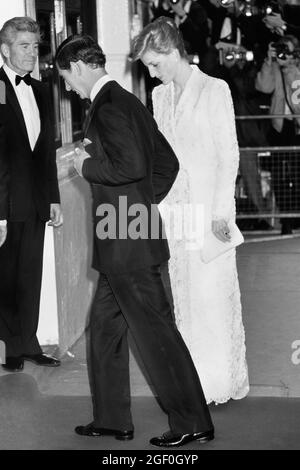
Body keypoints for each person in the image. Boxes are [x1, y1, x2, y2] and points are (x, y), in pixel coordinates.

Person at [55, 34, 214, 448]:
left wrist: (87, 165)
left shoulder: (109, 106)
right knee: (105, 332)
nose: (68, 88)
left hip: (125, 238)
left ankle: (191, 422)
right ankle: (112, 420)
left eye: (66, 78)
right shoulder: (127, 102)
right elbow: (167, 164)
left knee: (156, 335)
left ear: (79, 66)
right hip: (125, 234)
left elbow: (132, 165)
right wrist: (141, 205)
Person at [132, 16, 249, 405]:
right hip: (176, 214)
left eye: (154, 64)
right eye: (147, 66)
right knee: (184, 297)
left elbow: (228, 154)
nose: (151, 73)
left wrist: (221, 211)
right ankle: (193, 379)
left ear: (172, 51)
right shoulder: (160, 97)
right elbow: (160, 157)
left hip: (209, 210)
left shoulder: (215, 89)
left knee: (213, 297)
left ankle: (220, 381)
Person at [0, 17, 62, 372]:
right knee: (7, 277)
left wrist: (53, 197)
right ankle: (12, 345)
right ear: (6, 49)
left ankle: (30, 342)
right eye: (24, 46)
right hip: (8, 202)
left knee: (31, 275)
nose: (31, 53)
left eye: (35, 47)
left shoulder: (40, 89)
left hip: (37, 201)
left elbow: (46, 153)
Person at [255, 35, 300, 235]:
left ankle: (296, 216)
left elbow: (297, 98)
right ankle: (286, 220)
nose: (284, 54)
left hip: (297, 125)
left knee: (297, 175)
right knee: (280, 176)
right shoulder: (274, 64)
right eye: (282, 49)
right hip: (280, 125)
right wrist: (269, 61)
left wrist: (288, 68)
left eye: (288, 50)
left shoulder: (296, 68)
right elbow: (264, 87)